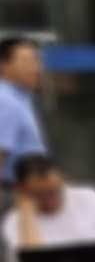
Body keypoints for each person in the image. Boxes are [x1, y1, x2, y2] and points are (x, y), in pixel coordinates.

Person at [0, 38, 46, 187]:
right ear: (3, 65)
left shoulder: (20, 98)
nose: (36, 68)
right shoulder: (5, 100)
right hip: (14, 194)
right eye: (27, 62)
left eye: (37, 61)